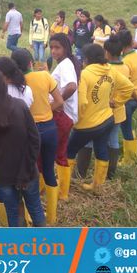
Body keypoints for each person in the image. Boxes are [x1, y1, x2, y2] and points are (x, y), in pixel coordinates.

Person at [0, 68, 45, 227]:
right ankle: (44, 241)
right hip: (28, 172)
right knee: (35, 208)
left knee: (13, 214)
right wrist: (25, 171)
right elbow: (35, 141)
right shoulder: (20, 106)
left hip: (3, 176)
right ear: (3, 85)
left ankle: (18, 242)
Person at [66, 44, 133, 192]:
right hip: (107, 120)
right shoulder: (111, 70)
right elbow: (129, 87)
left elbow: (82, 102)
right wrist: (117, 102)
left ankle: (63, 188)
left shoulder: (85, 74)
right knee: (101, 150)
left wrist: (75, 120)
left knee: (69, 151)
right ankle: (97, 187)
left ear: (87, 59)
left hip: (86, 125)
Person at [11, 48, 63, 225]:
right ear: (30, 63)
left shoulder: (15, 84)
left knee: (28, 173)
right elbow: (59, 101)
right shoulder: (45, 76)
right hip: (49, 129)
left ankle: (26, 217)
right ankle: (52, 217)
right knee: (48, 170)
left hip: (29, 132)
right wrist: (48, 109)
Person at [48, 33, 80, 201]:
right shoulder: (65, 64)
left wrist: (55, 104)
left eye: (57, 47)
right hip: (66, 115)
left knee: (47, 154)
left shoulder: (65, 65)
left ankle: (48, 190)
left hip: (62, 115)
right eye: (51, 47)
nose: (54, 51)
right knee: (60, 152)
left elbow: (72, 87)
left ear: (66, 48)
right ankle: (63, 192)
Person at [118, 30, 137, 166]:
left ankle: (129, 159)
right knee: (128, 126)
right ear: (131, 41)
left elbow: (127, 87)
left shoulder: (124, 62)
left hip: (130, 99)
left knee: (126, 128)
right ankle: (132, 153)